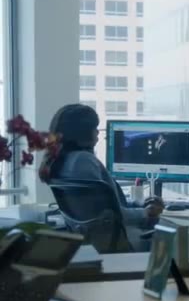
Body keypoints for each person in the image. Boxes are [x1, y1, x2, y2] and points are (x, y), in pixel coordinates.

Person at [39, 104, 164, 249]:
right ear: (82, 132)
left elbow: (104, 206)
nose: (98, 132)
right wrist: (146, 212)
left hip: (92, 242)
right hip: (118, 241)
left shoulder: (59, 162)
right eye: (94, 128)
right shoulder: (83, 161)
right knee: (173, 234)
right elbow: (110, 217)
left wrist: (138, 205)